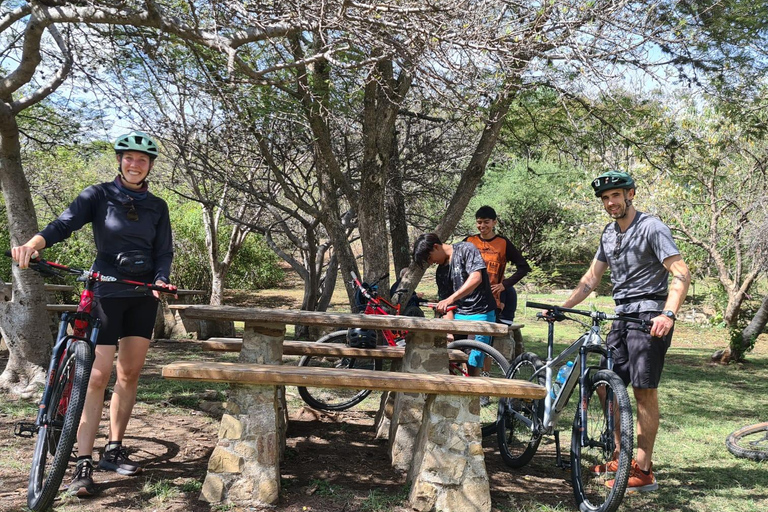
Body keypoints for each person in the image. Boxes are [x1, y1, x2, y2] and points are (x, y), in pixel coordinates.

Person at [11, 130, 175, 497]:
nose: (135, 164)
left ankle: (113, 448)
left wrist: (161, 279)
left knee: (129, 373)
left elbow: (163, 251)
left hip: (143, 294)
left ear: (150, 166)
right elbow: (64, 223)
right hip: (105, 291)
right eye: (129, 158)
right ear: (120, 160)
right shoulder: (98, 195)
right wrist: (34, 243)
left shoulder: (157, 205)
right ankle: (82, 462)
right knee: (97, 376)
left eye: (142, 160)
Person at [561, 170, 690, 493]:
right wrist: (562, 307)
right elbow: (591, 280)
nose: (610, 202)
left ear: (630, 194)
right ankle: (621, 456)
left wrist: (668, 314)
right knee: (606, 383)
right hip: (620, 315)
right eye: (605, 198)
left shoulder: (651, 227)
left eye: (615, 195)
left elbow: (681, 272)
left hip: (649, 316)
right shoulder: (608, 233)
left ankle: (644, 469)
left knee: (644, 392)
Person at [412, 233, 496, 375]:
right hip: (458, 318)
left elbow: (476, 278)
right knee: (449, 358)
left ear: (436, 246)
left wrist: (451, 299)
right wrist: (449, 330)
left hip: (480, 314)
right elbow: (446, 306)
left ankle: (475, 394)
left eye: (429, 258)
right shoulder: (441, 272)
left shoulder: (466, 249)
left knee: (473, 361)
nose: (431, 262)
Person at [465, 205, 531, 325]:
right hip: (468, 297)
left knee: (486, 336)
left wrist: (505, 285)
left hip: (492, 299)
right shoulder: (469, 241)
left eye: (486, 222)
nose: (482, 226)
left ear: (494, 222)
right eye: (479, 222)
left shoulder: (503, 243)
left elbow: (524, 267)